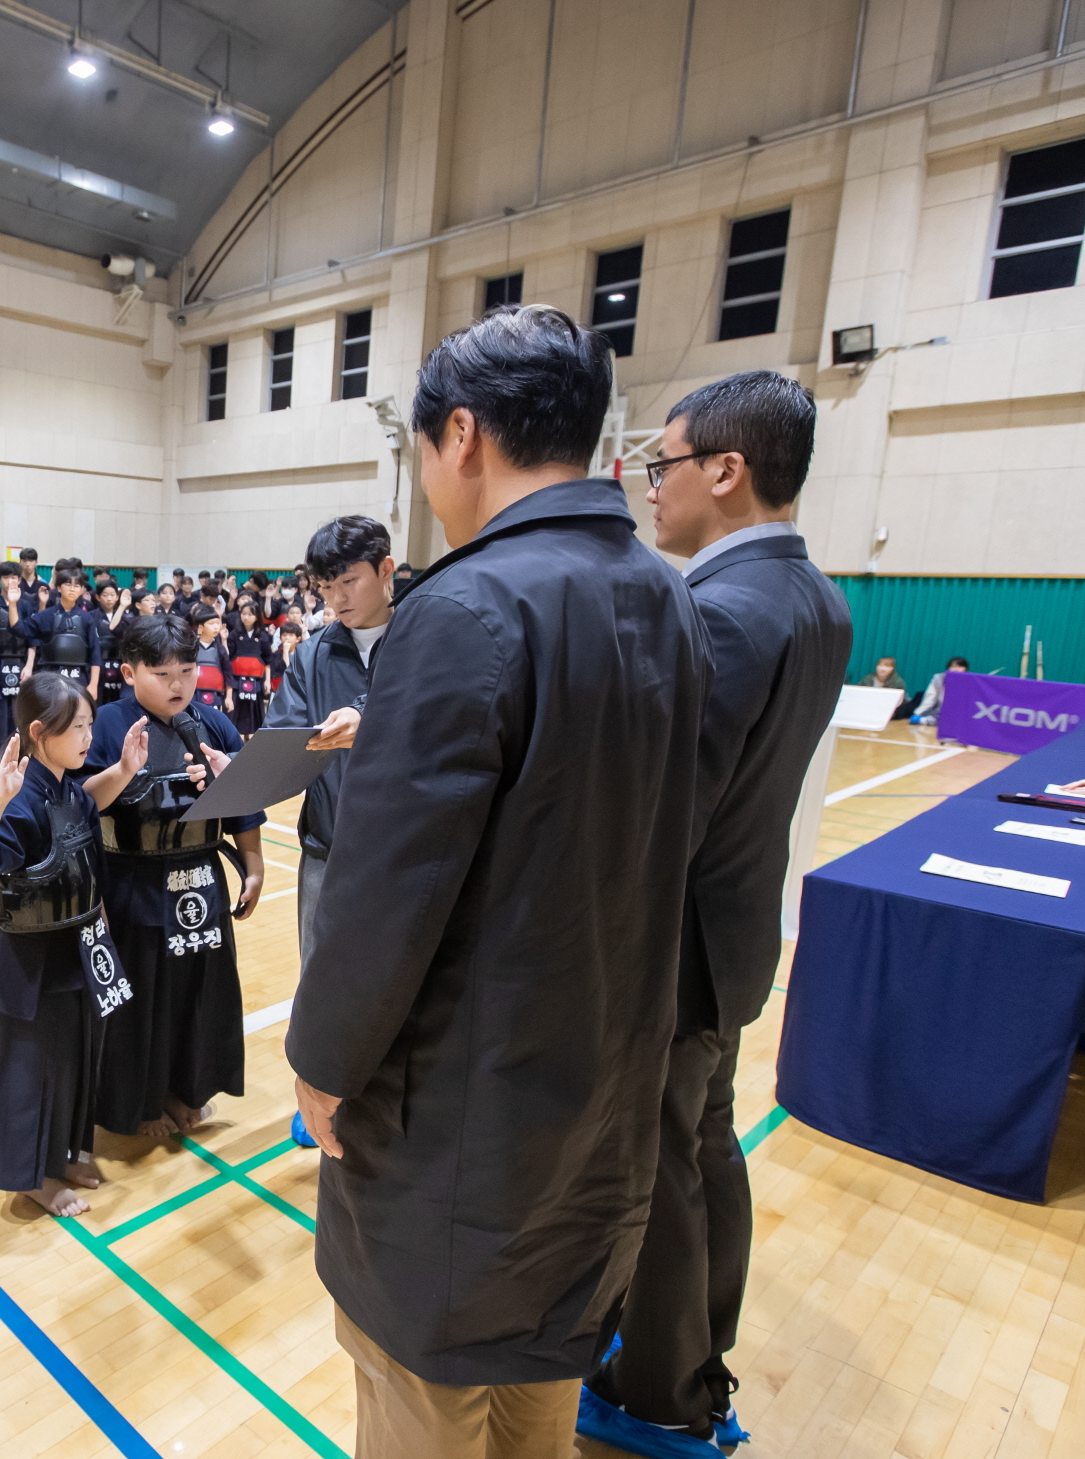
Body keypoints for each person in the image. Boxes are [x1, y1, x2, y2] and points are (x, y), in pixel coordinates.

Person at [285, 304, 710, 1459]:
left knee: (423, 1407)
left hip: (457, 1129)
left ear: (461, 434)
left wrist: (320, 1061)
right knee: (537, 1404)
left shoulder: (462, 608)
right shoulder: (666, 595)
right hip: (597, 1099)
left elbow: (385, 891)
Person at [578, 371, 854, 1458]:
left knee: (655, 1173)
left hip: (674, 949)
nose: (650, 487)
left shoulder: (718, 611)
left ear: (726, 471)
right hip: (735, 932)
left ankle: (658, 1391)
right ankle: (697, 1356)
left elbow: (661, 817)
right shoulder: (815, 597)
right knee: (703, 1148)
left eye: (664, 464)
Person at [0, 675, 148, 1217]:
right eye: (78, 727)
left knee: (72, 1065)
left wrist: (124, 770)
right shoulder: (19, 801)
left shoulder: (68, 788)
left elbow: (87, 811)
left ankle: (60, 1157)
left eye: (90, 725)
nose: (89, 737)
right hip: (32, 968)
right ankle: (33, 1178)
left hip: (80, 954)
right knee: (30, 1074)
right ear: (40, 733)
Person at [82, 613, 264, 1138]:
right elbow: (80, 805)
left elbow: (244, 803)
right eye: (162, 674)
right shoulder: (107, 724)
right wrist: (123, 772)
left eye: (187, 670)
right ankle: (141, 1101)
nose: (178, 684)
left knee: (199, 994)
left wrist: (253, 866)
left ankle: (186, 1089)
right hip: (131, 885)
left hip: (201, 880)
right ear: (129, 672)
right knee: (140, 999)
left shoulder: (214, 723)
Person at [266, 515, 395, 1137]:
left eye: (349, 582)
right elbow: (285, 736)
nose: (337, 599)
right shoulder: (314, 653)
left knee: (402, 980)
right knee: (320, 978)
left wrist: (371, 719)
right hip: (327, 847)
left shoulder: (427, 639)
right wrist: (250, 768)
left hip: (405, 852)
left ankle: (387, 1097)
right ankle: (319, 1094)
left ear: (386, 571)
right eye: (326, 587)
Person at [23, 568, 104, 691]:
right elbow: (19, 629)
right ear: (59, 588)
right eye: (68, 584)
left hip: (78, 676)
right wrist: (12, 603)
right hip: (50, 676)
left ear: (81, 590)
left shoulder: (87, 618)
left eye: (76, 586)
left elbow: (95, 653)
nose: (72, 589)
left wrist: (93, 685)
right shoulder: (47, 615)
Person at [0, 564, 35, 753]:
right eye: (6, 578)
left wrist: (29, 665)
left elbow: (32, 638)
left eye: (14, 578)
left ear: (19, 580)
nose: (10, 581)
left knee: (19, 711)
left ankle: (20, 753)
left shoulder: (26, 604)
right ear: (0, 580)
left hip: (20, 662)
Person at [225, 595, 273, 736]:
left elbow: (267, 660)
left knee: (254, 713)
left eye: (250, 614)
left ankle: (253, 739)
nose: (246, 617)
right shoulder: (234, 634)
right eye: (244, 614)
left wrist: (267, 681)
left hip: (256, 681)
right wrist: (223, 640)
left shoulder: (262, 636)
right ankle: (234, 738)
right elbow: (227, 656)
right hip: (236, 680)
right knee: (234, 713)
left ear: (257, 617)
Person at [909, 656, 971, 723]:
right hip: (940, 712)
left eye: (960, 666)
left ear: (965, 669)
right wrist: (917, 713)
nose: (956, 669)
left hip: (960, 714)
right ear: (948, 668)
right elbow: (930, 698)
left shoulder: (970, 681)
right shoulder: (939, 679)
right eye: (953, 666)